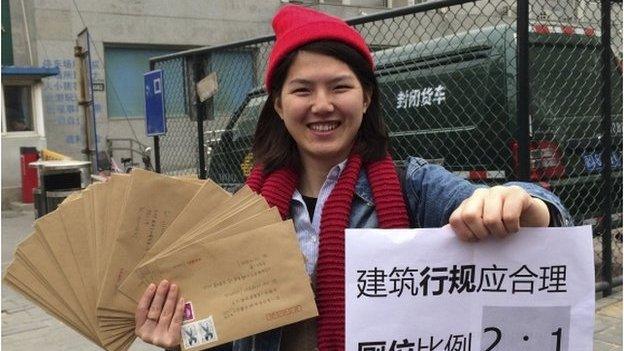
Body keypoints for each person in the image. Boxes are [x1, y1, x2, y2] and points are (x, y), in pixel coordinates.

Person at [135, 5, 571, 351]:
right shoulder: (240, 210)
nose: (322, 105)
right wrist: (180, 342)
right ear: (279, 104)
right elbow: (223, 334)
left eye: (339, 87)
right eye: (302, 90)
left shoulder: (412, 187)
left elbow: (552, 221)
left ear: (366, 98)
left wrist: (519, 202)